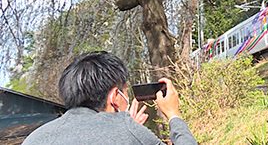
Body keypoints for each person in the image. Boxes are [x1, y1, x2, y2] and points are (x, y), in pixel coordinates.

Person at [23, 51, 197, 145]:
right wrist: (174, 115)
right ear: (115, 96)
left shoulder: (33, 138)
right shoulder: (127, 132)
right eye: (126, 92)